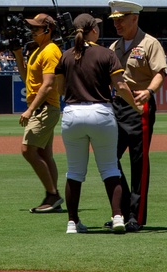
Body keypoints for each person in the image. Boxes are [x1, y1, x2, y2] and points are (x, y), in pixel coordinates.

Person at [55, 13, 141, 234]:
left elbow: (59, 90)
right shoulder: (106, 53)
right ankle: (118, 216)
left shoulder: (65, 56)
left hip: (73, 113)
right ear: (93, 30)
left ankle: (72, 222)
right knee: (110, 168)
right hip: (101, 113)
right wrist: (136, 106)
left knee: (74, 172)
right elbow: (120, 86)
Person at [106, 0, 167, 232]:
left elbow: (160, 73)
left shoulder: (150, 43)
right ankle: (119, 212)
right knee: (110, 158)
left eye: (121, 19)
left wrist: (150, 91)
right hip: (117, 106)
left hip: (139, 107)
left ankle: (136, 216)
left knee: (138, 163)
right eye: (114, 20)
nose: (117, 24)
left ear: (135, 18)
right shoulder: (114, 47)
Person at [12, 13, 63, 213]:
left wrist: (30, 109)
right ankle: (53, 196)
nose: (31, 31)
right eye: (31, 28)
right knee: (45, 154)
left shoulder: (50, 50)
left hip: (44, 108)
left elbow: (49, 84)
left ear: (47, 30)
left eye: (36, 28)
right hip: (43, 108)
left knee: (28, 151)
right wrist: (17, 55)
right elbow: (27, 79)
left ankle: (53, 195)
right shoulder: (38, 50)